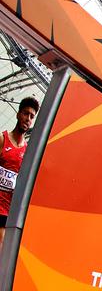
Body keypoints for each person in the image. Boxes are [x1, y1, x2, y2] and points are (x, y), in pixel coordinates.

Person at [0, 95, 38, 244]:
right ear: (18, 114)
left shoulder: (27, 152)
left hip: (6, 211)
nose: (28, 119)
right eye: (25, 113)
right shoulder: (3, 139)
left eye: (31, 116)